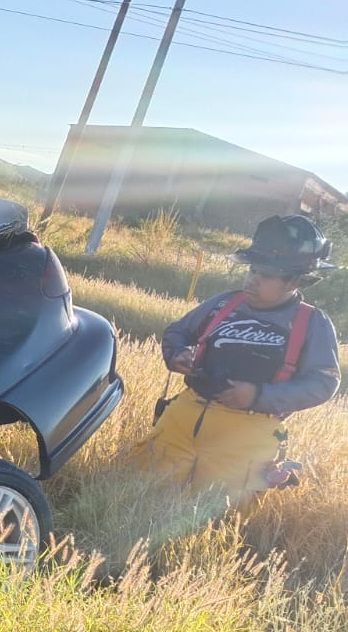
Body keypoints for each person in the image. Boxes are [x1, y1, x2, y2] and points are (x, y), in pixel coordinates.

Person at [145, 214, 339, 500]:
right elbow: (178, 331)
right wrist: (176, 355)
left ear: (294, 281)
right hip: (182, 417)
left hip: (247, 435)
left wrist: (258, 396)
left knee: (215, 519)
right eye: (252, 270)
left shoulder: (313, 324)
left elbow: (323, 383)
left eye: (266, 275)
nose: (252, 280)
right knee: (141, 494)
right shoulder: (224, 302)